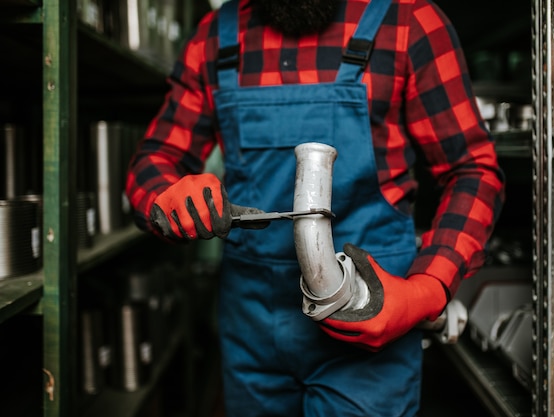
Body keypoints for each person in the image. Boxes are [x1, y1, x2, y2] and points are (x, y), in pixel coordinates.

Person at [125, 0, 505, 415]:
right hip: (251, 327)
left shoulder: (408, 21)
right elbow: (155, 159)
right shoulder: (214, 36)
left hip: (369, 320)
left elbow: (472, 170)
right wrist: (166, 193)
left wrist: (426, 291)